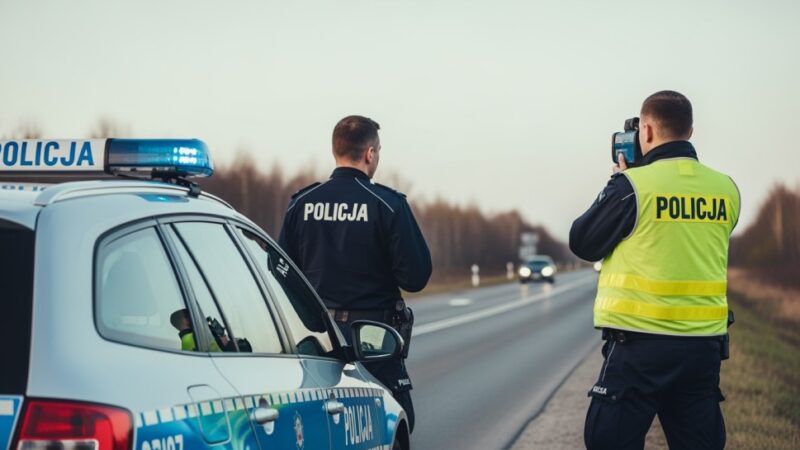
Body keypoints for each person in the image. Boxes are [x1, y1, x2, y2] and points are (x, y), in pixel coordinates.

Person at [570, 91, 741, 450]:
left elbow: (583, 242)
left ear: (645, 131)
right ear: (690, 131)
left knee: (608, 441)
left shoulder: (632, 188)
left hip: (639, 348)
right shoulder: (727, 190)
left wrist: (617, 182)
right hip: (702, 350)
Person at [278, 115, 432, 432]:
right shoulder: (387, 205)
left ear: (336, 150)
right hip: (375, 341)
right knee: (392, 424)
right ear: (370, 154)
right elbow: (415, 278)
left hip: (317, 340)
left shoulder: (301, 204)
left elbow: (280, 274)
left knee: (319, 428)